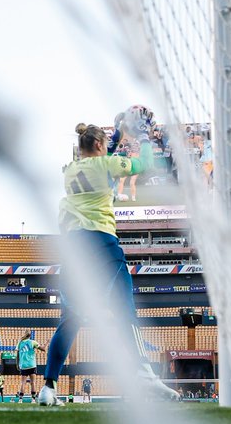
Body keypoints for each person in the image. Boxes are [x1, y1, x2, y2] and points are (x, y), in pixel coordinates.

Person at [38, 118, 180, 407]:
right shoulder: (107, 165)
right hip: (102, 243)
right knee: (125, 308)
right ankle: (144, 374)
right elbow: (142, 165)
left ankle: (48, 387)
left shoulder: (71, 170)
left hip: (73, 248)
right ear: (99, 145)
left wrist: (114, 134)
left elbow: (102, 155)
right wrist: (142, 137)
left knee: (71, 319)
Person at [16, 332, 44, 402]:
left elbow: (17, 355)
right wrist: (46, 343)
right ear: (30, 336)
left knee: (23, 383)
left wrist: (17, 364)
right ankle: (33, 399)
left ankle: (20, 399)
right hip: (32, 365)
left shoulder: (20, 343)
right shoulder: (33, 342)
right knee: (33, 383)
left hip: (23, 365)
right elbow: (43, 349)